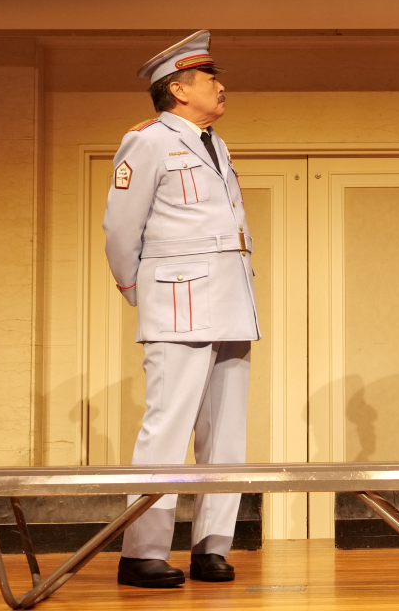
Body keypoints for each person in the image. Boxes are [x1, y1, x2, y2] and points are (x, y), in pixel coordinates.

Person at [103, 30, 260, 588]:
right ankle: (142, 552)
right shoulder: (147, 141)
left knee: (226, 436)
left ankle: (211, 546)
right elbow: (121, 227)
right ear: (178, 88)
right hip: (178, 301)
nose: (220, 86)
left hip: (231, 301)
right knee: (167, 428)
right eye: (208, 77)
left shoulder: (216, 143)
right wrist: (139, 290)